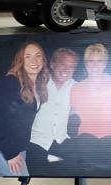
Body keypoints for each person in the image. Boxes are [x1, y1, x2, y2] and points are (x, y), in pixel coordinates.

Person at [0, 41, 47, 177]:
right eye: (28, 56)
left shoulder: (37, 85)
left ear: (43, 60)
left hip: (18, 147)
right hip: (1, 147)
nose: (34, 60)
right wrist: (11, 154)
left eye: (38, 56)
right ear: (20, 61)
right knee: (22, 182)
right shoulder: (10, 82)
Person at [68, 43, 111, 170]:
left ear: (105, 64)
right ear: (86, 64)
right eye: (91, 61)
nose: (95, 65)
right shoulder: (76, 88)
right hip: (84, 140)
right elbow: (72, 117)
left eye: (100, 61)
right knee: (85, 143)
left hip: (110, 139)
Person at [27, 46, 78, 174]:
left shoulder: (76, 87)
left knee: (79, 164)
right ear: (52, 64)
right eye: (62, 64)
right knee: (38, 172)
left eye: (71, 67)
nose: (66, 70)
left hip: (62, 140)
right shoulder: (38, 83)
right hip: (36, 141)